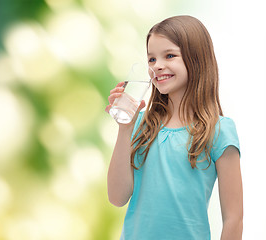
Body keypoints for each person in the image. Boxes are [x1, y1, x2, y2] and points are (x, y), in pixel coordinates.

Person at [105, 15, 243, 240]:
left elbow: (233, 218)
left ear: (196, 59)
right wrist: (124, 128)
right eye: (151, 59)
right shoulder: (139, 124)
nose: (157, 66)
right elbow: (117, 197)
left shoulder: (219, 131)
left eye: (169, 55)